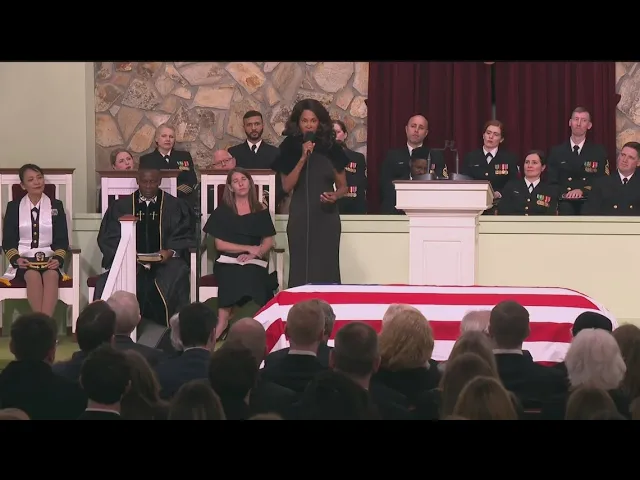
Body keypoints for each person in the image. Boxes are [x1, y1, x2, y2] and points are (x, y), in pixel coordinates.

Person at [93, 167, 194, 332]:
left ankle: (174, 331)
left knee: (178, 276)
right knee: (104, 283)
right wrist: (127, 255)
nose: (148, 186)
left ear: (159, 182)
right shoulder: (121, 206)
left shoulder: (175, 206)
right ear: (137, 181)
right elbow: (108, 237)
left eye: (152, 182)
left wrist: (170, 251)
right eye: (144, 182)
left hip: (166, 263)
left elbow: (184, 234)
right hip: (130, 263)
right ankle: (109, 331)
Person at [271, 98, 349, 288]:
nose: (309, 125)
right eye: (304, 121)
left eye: (313, 121)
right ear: (297, 122)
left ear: (320, 123)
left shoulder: (332, 147)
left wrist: (335, 195)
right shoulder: (288, 148)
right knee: (300, 267)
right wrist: (302, 158)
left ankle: (327, 304)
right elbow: (286, 186)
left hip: (326, 217)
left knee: (326, 267)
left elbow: (343, 187)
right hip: (300, 215)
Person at [203, 167, 277, 339]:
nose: (241, 184)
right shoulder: (223, 211)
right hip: (228, 260)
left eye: (243, 179)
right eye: (236, 181)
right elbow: (220, 244)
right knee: (232, 273)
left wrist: (254, 254)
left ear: (250, 183)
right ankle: (223, 321)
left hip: (254, 260)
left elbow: (268, 241)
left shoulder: (260, 210)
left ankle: (253, 325)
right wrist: (247, 248)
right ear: (230, 187)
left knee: (251, 274)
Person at [1, 164, 70, 316]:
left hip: (49, 260)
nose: (37, 182)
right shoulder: (14, 207)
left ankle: (43, 326)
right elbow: (8, 240)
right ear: (23, 185)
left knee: (52, 276)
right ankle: (43, 325)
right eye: (31, 180)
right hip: (24, 262)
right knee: (33, 277)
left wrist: (58, 258)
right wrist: (16, 259)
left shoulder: (55, 205)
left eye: (39, 178)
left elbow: (62, 238)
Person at [547, 106, 609, 215]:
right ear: (570, 122)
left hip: (588, 200)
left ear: (589, 125)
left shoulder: (598, 152)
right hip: (564, 201)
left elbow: (603, 181)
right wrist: (565, 194)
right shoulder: (557, 152)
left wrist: (582, 191)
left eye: (583, 120)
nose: (579, 124)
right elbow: (551, 181)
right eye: (576, 119)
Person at [379, 114, 446, 214]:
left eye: (421, 128)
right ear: (406, 129)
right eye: (413, 126)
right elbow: (385, 186)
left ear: (426, 133)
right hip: (396, 209)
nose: (416, 130)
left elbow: (441, 185)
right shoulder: (392, 156)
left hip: (426, 209)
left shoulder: (435, 156)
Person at [461, 120, 519, 214]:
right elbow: (464, 180)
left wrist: (499, 193)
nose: (491, 137)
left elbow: (514, 182)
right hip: (475, 205)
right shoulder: (471, 157)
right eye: (488, 133)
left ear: (501, 139)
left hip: (499, 206)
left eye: (496, 134)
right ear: (483, 135)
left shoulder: (509, 159)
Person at [139, 124, 198, 203]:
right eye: (164, 136)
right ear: (156, 139)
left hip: (182, 200)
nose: (168, 139)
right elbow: (144, 184)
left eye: (171, 137)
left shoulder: (184, 156)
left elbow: (192, 180)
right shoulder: (146, 160)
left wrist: (175, 191)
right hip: (157, 201)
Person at [583, 141, 640, 216]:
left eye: (630, 157)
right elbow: (590, 214)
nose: (624, 160)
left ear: (638, 162)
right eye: (623, 155)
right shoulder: (601, 183)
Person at [497, 150, 559, 215]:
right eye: (527, 162)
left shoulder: (549, 190)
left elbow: (550, 215)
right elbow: (503, 212)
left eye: (534, 163)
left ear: (543, 167)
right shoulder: (511, 187)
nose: (529, 166)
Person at [333, 120, 368, 215]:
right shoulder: (322, 157)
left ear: (345, 135)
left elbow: (360, 184)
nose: (335, 135)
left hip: (351, 205)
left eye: (338, 132)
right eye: (332, 133)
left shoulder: (357, 158)